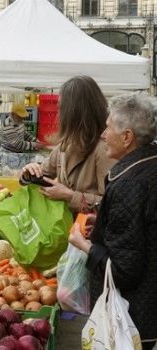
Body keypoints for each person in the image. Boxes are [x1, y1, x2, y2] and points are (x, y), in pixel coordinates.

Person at [69, 92, 157, 349]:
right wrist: (104, 225)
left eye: (108, 129)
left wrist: (83, 245)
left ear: (127, 137)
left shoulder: (129, 182)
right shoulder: (149, 164)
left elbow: (123, 271)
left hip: (134, 318)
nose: (103, 135)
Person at [20, 76, 116, 213]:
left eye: (61, 108)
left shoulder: (104, 149)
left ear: (75, 112)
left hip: (89, 230)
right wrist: (29, 173)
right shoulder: (65, 145)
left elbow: (114, 204)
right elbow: (44, 175)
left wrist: (69, 196)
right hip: (66, 228)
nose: (58, 114)